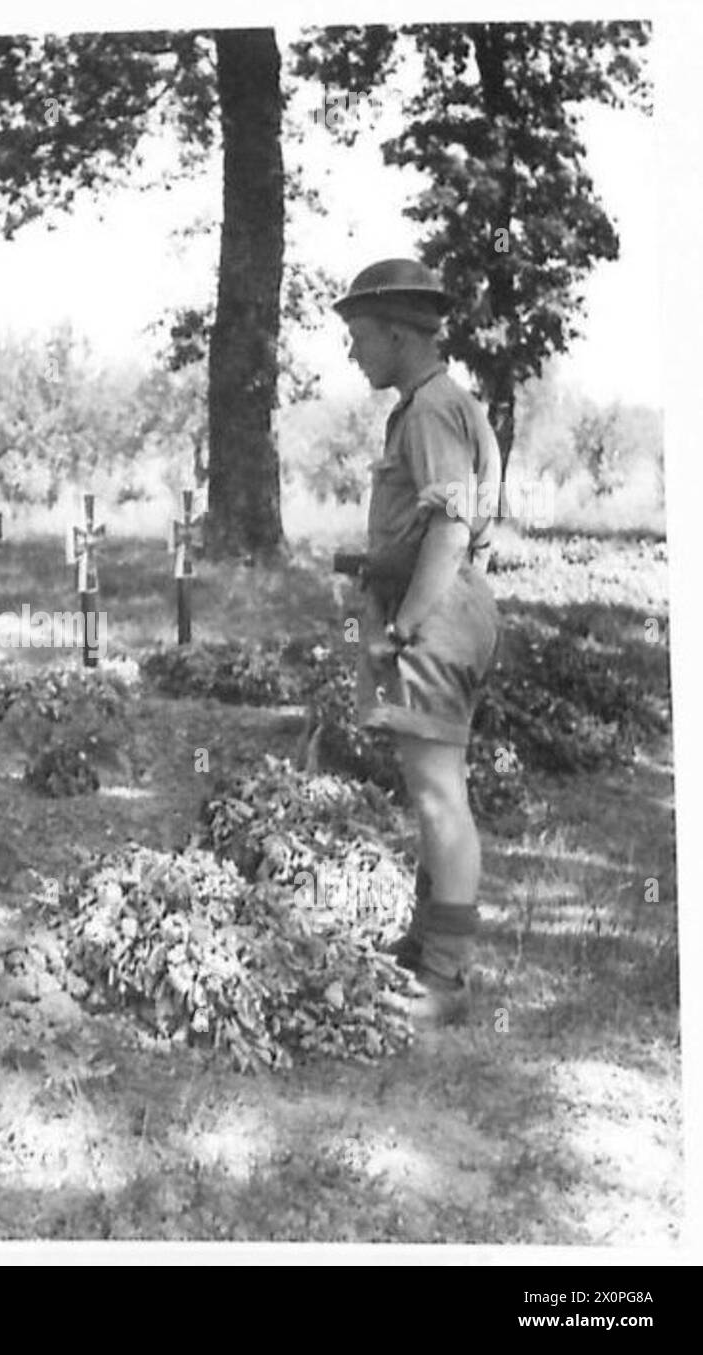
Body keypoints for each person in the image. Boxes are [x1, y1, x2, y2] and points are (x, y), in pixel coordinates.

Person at [333, 258, 502, 1025]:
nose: (353, 352)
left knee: (440, 798)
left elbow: (451, 526)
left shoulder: (432, 409)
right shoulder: (436, 403)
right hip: (442, 605)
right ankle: (426, 945)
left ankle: (446, 978)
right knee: (432, 790)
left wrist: (401, 629)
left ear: (399, 334)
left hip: (432, 614)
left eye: (360, 336)